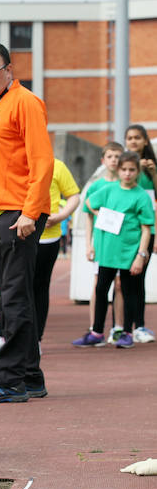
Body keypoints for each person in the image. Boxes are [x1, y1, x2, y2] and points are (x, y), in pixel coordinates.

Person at [0, 42, 54, 404]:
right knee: (13, 297)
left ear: (9, 70)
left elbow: (42, 161)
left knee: (13, 297)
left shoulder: (25, 103)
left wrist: (31, 212)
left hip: (18, 212)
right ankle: (30, 376)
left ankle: (8, 380)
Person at [73, 151, 153, 349]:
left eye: (132, 170)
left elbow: (146, 229)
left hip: (129, 253)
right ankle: (96, 332)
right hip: (107, 251)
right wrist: (104, 215)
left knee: (128, 291)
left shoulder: (142, 196)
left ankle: (126, 332)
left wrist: (141, 255)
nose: (127, 173)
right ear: (118, 170)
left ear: (138, 172)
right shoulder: (108, 190)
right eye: (124, 169)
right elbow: (89, 203)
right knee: (101, 289)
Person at [34, 159, 80, 344]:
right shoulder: (13, 161)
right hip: (17, 236)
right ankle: (8, 335)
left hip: (47, 236)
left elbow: (74, 196)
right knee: (14, 287)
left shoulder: (56, 165)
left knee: (39, 286)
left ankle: (36, 339)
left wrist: (61, 216)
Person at [83, 143, 124, 342]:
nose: (114, 160)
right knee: (98, 284)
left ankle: (118, 327)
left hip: (122, 245)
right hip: (102, 243)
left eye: (118, 156)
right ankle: (94, 326)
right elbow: (88, 216)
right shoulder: (97, 186)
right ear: (103, 160)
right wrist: (88, 245)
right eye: (110, 156)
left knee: (119, 285)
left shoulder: (127, 186)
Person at [123, 125, 157, 344]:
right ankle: (123, 327)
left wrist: (152, 172)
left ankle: (139, 325)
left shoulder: (151, 168)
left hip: (147, 229)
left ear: (145, 141)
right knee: (124, 281)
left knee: (139, 278)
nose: (133, 141)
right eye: (130, 138)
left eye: (137, 138)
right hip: (125, 231)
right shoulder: (124, 168)